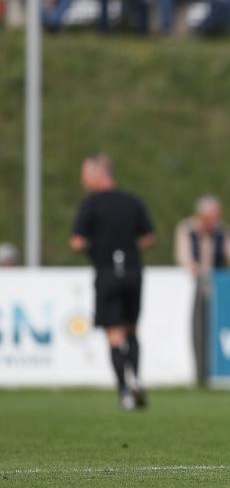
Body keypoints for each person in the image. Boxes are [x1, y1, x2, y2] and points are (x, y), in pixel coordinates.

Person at [70, 155, 155, 411]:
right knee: (131, 329)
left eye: (86, 176)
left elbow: (77, 242)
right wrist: (127, 247)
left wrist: (97, 250)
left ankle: (124, 392)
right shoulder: (132, 201)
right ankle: (137, 379)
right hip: (132, 272)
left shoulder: (91, 205)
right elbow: (148, 237)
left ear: (98, 175)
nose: (83, 181)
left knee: (114, 334)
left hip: (107, 274)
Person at [175, 195, 230, 386]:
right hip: (194, 288)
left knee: (213, 333)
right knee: (197, 332)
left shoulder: (223, 232)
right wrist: (191, 267)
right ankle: (199, 375)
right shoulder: (187, 230)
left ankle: (213, 374)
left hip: (217, 291)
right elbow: (183, 256)